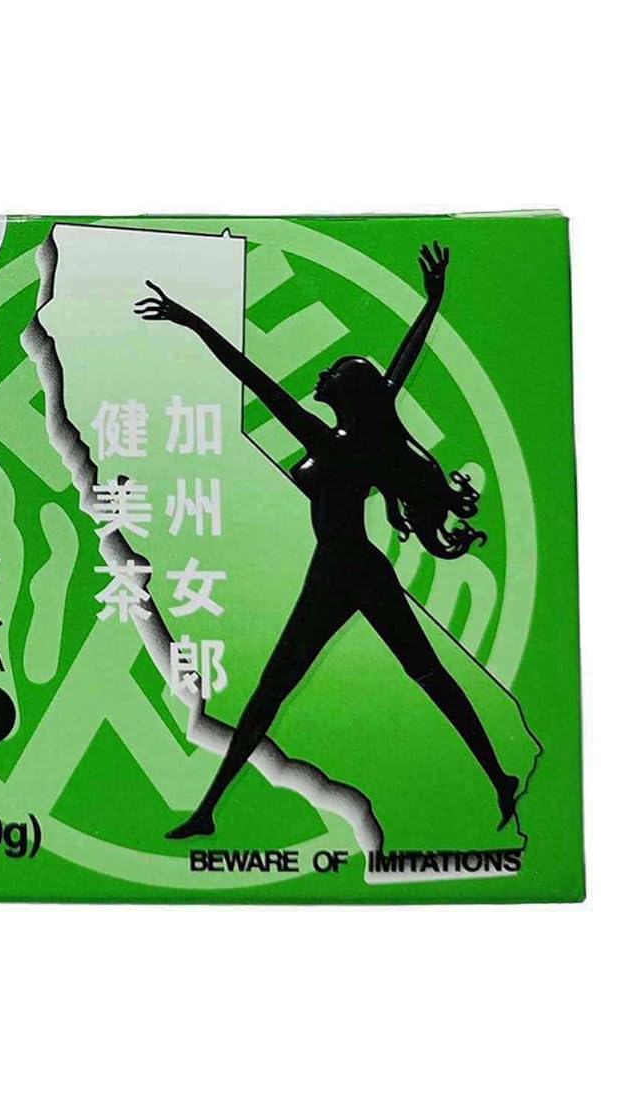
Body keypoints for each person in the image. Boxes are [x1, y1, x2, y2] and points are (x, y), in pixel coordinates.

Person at [133, 243, 519, 839]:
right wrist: (433, 301)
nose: (324, 375)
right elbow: (404, 360)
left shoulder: (331, 443)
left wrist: (191, 321)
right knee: (408, 677)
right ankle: (209, 812)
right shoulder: (368, 430)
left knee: (316, 687)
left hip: (347, 571)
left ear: (349, 395)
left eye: (335, 373)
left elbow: (253, 378)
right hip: (348, 568)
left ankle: (498, 777)